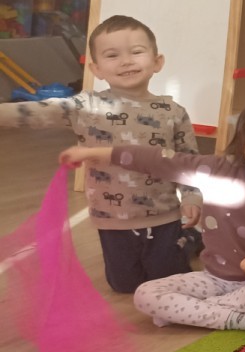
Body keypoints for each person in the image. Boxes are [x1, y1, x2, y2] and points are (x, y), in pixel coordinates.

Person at [60, 96, 245, 335]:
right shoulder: (219, 169)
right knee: (145, 294)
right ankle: (233, 318)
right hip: (212, 279)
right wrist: (93, 153)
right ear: (243, 141)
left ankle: (192, 312)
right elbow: (160, 160)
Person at [0, 15, 201, 292]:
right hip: (110, 217)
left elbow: (187, 160)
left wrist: (191, 196)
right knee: (124, 285)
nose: (126, 61)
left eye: (136, 52)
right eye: (112, 55)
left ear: (157, 62)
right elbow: (36, 111)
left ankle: (191, 240)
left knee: (169, 280)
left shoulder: (173, 112)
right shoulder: (86, 106)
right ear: (96, 69)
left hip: (163, 214)